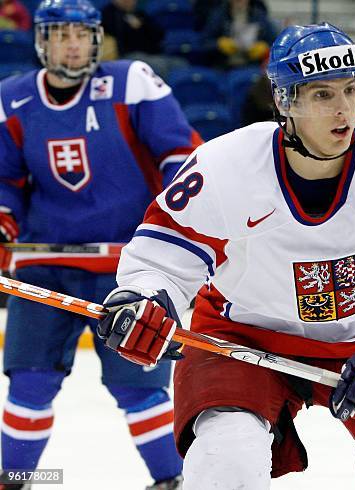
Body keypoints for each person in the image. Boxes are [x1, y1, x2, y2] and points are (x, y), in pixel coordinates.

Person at [96, 22, 355, 490]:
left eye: (351, 89)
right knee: (227, 463)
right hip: (243, 338)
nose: (344, 108)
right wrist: (143, 298)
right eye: (323, 95)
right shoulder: (224, 165)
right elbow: (160, 260)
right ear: (285, 102)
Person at [0, 0, 204, 488]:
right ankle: (13, 478)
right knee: (29, 381)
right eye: (61, 34)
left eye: (82, 34)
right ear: (41, 41)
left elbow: (182, 154)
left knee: (138, 388)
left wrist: (180, 222)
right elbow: (5, 179)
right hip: (45, 265)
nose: (73, 44)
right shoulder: (12, 97)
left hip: (132, 270)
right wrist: (3, 218)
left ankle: (171, 480)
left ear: (96, 38)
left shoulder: (131, 82)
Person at [200, 0, 277, 68]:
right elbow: (203, 43)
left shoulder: (259, 16)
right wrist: (218, 44)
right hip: (223, 67)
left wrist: (265, 47)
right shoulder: (218, 15)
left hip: (252, 67)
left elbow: (275, 43)